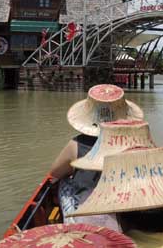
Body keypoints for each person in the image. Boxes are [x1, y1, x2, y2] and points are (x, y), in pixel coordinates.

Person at [49, 84, 144, 230]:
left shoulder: (77, 144)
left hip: (91, 203)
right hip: (127, 203)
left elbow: (55, 173)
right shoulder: (137, 142)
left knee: (63, 182)